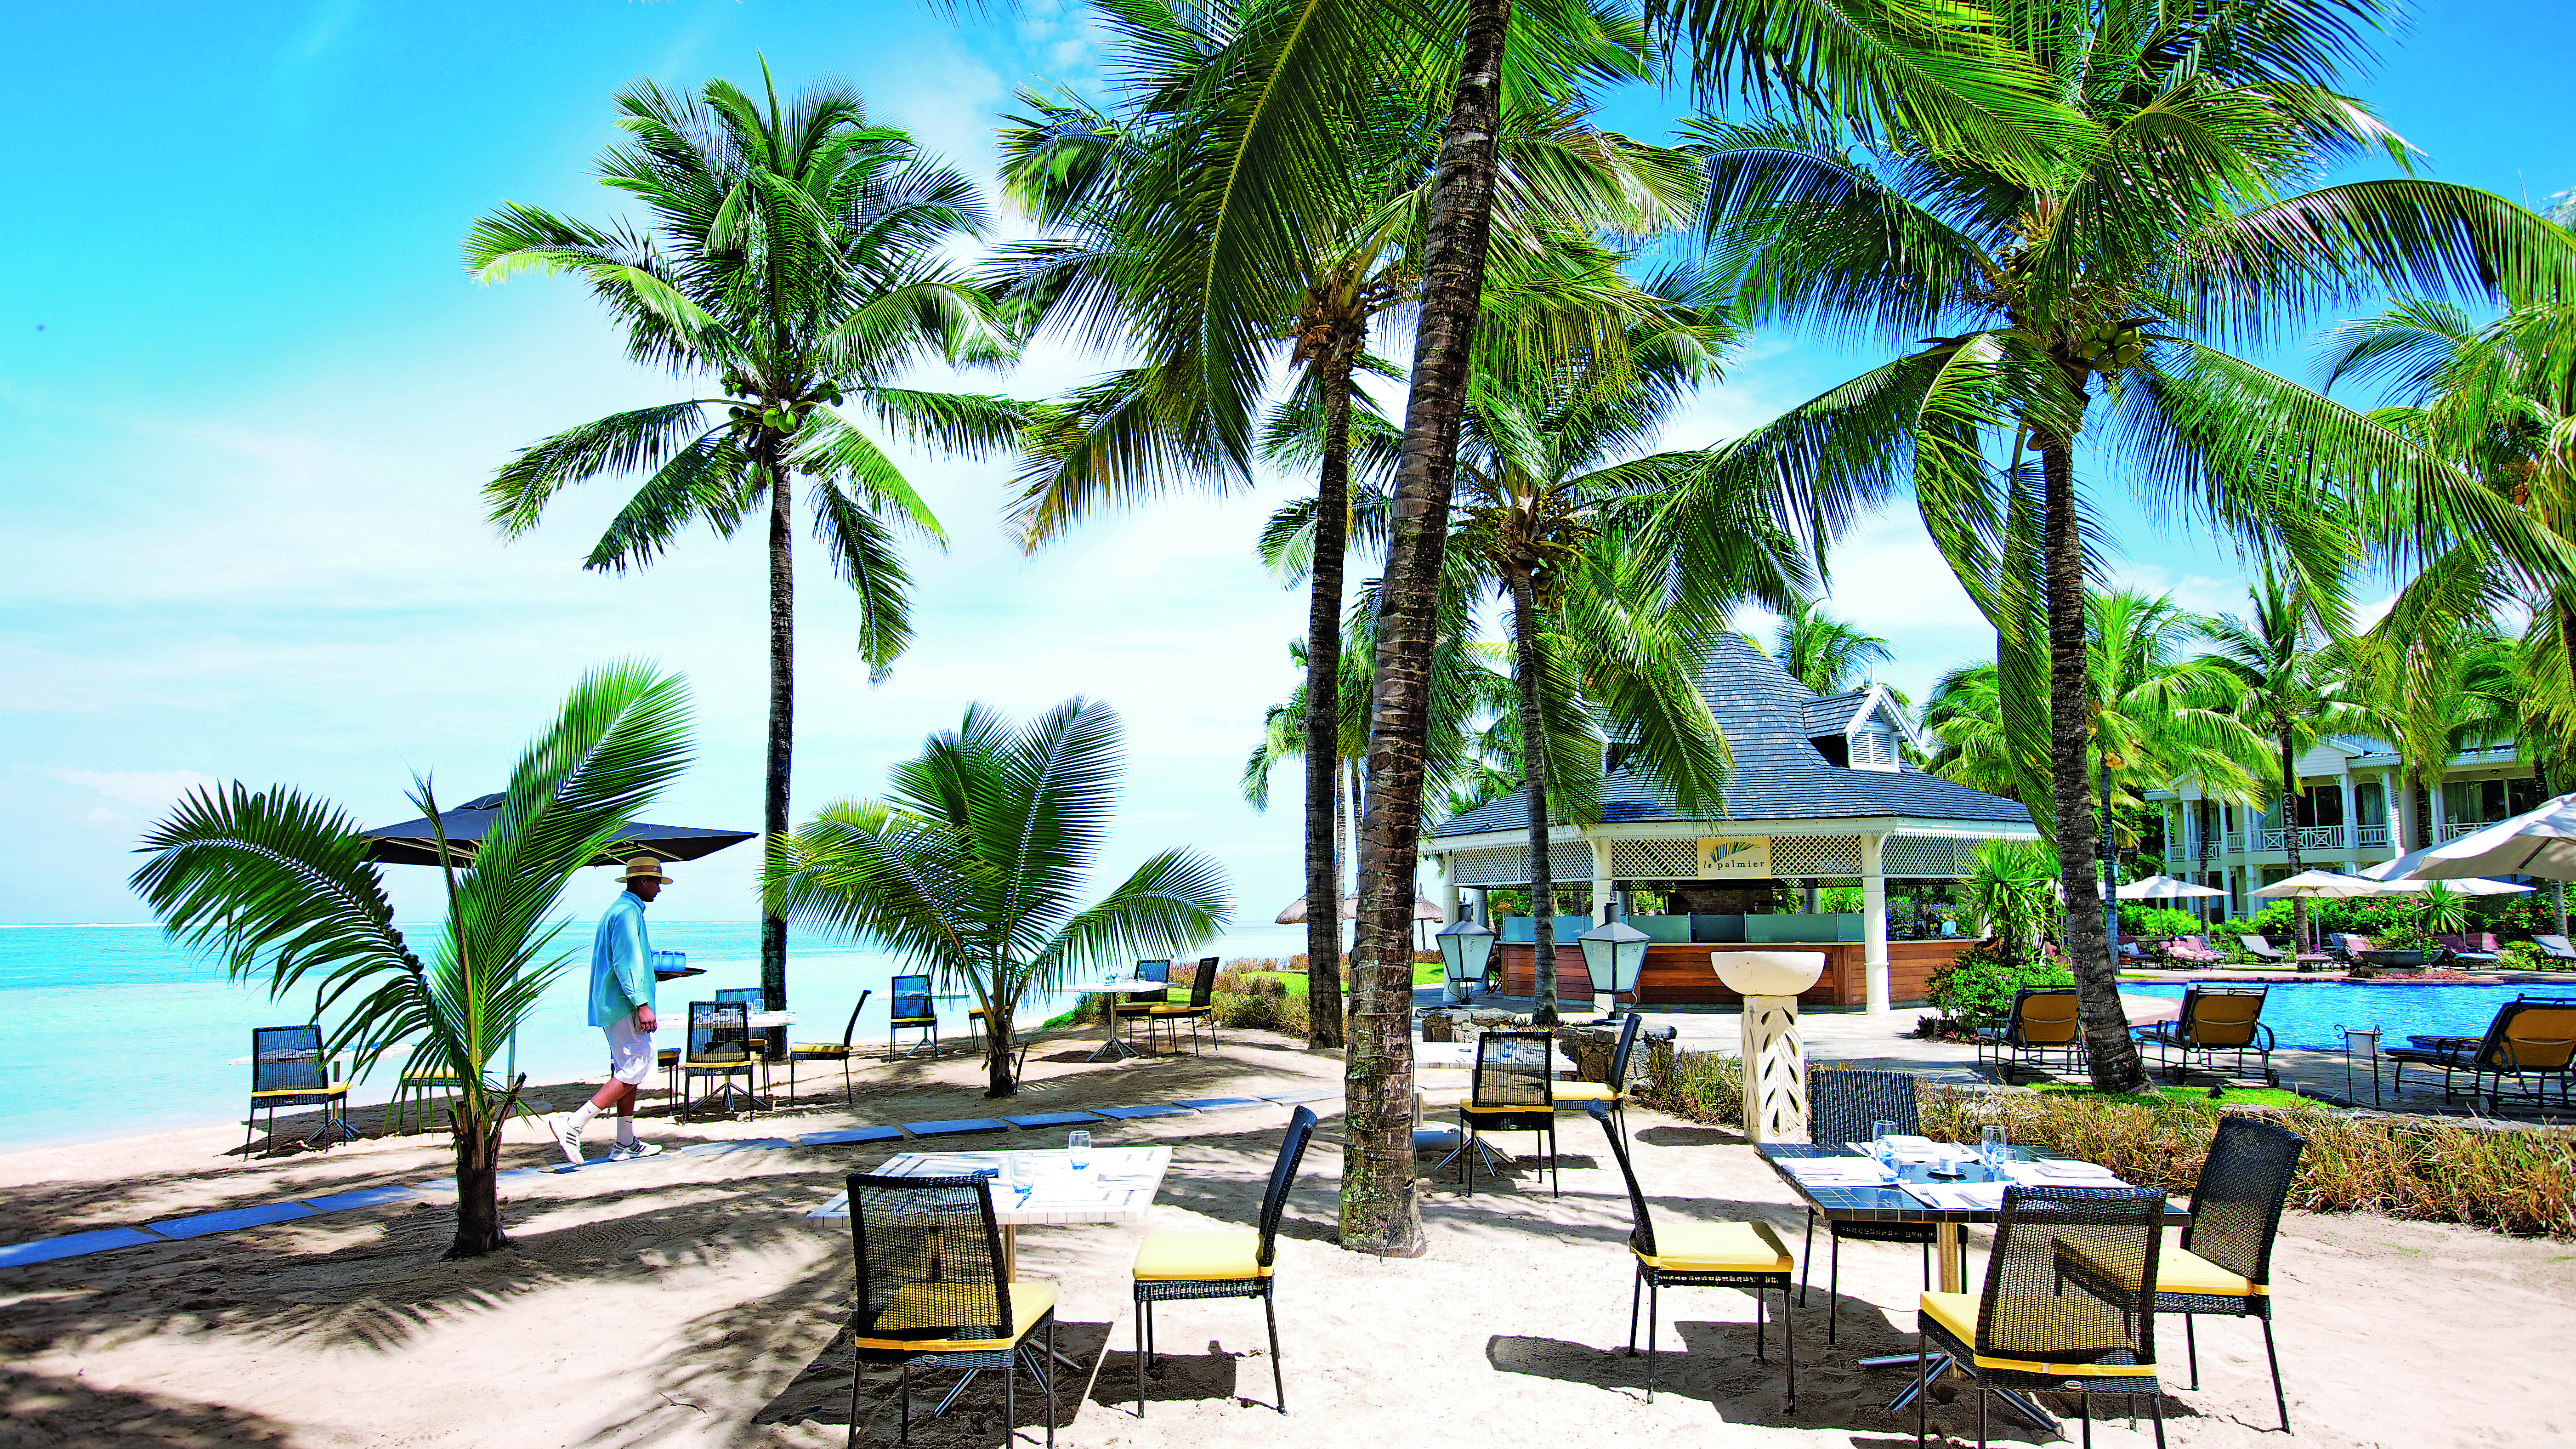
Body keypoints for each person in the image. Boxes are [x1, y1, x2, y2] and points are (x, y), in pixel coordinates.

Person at [556, 857, 670, 1164]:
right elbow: (626, 961)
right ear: (643, 881)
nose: (659, 889)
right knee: (637, 1066)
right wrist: (642, 1004)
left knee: (629, 1068)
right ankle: (574, 1123)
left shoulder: (619, 911)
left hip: (616, 1002)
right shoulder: (627, 914)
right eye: (657, 882)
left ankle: (624, 1142)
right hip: (624, 1004)